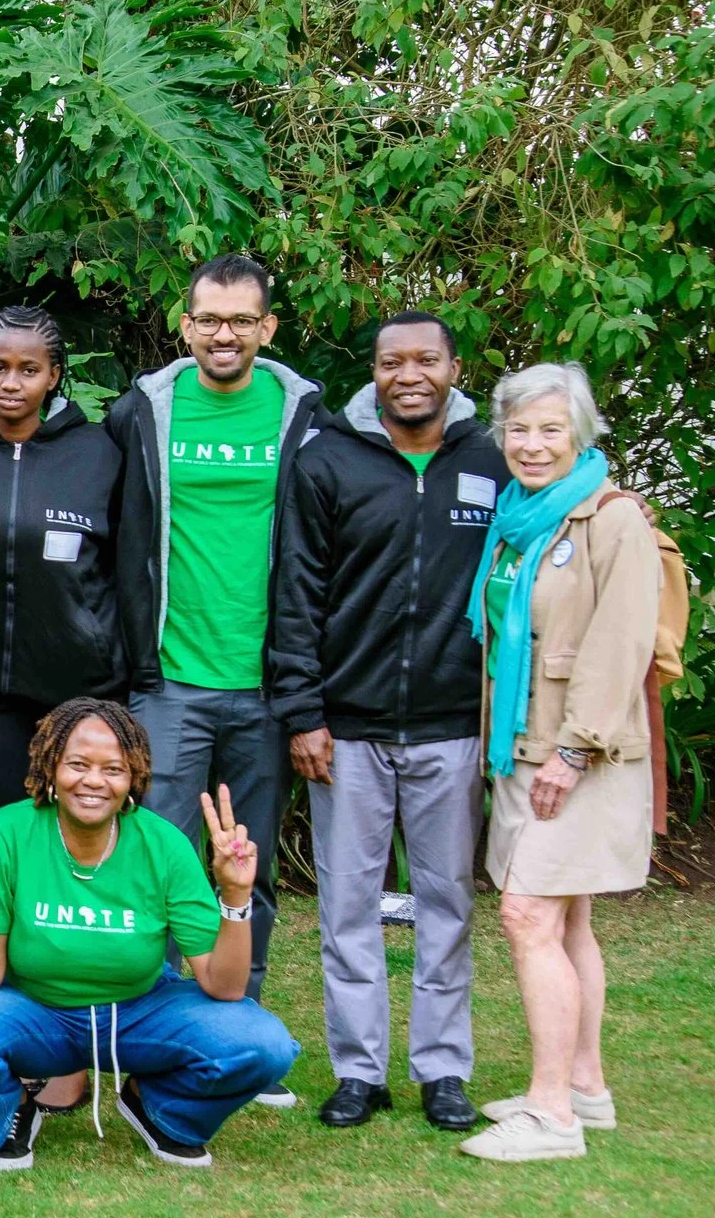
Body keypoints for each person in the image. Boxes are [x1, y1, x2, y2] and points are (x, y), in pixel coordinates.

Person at [0, 699, 299, 1170]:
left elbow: (225, 986)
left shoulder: (164, 843)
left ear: (133, 779)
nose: (94, 780)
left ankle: (162, 1109)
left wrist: (234, 894)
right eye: (78, 764)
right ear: (51, 768)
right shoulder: (8, 831)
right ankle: (13, 1111)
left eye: (113, 769)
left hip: (139, 1011)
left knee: (263, 1044)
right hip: (37, 1013)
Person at [270, 311, 507, 1134]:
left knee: (447, 903)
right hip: (349, 729)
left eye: (425, 359)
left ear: (454, 366)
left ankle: (443, 1070)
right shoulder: (328, 460)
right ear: (371, 371)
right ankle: (359, 1070)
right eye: (390, 360)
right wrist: (303, 712)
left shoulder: (495, 458)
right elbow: (295, 594)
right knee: (347, 906)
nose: (409, 373)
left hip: (452, 726)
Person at [104, 252, 323, 1108]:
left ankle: (239, 1029)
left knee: (248, 865)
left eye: (241, 320)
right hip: (170, 682)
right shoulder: (144, 412)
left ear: (267, 328)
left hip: (266, 685)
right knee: (159, 866)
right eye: (208, 318)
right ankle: (152, 1034)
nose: (223, 333)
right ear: (184, 323)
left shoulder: (302, 413)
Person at [458, 363, 668, 1164]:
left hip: (578, 752)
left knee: (528, 915)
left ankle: (551, 1117)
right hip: (525, 743)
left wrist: (574, 750)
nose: (532, 444)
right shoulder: (519, 517)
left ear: (580, 432)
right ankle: (585, 1084)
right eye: (518, 428)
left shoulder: (612, 520)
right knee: (568, 914)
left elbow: (619, 648)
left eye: (550, 429)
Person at [0, 304, 127, 823]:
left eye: (29, 370)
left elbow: (125, 560)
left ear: (55, 375)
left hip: (84, 691)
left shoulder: (100, 454)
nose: (10, 383)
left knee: (83, 830)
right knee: (10, 834)